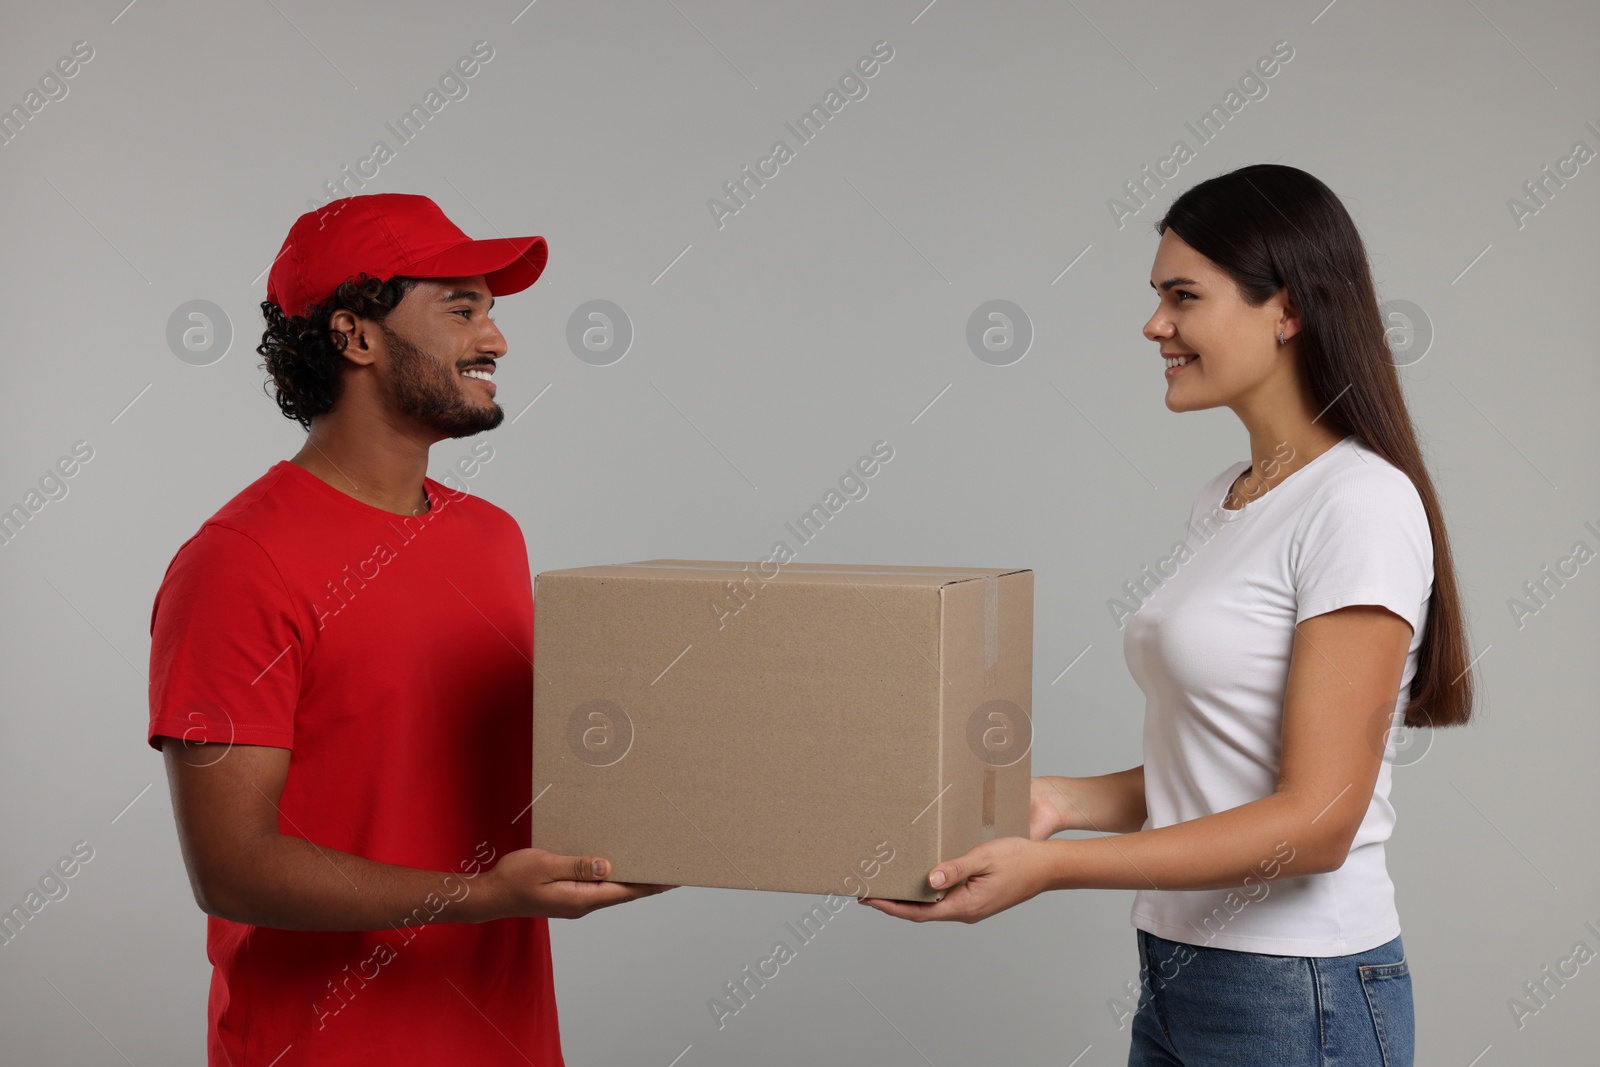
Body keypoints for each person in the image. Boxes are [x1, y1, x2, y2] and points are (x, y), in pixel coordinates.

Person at [861, 164, 1475, 1067]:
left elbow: (1315, 822)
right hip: (1183, 972)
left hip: (1297, 990)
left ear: (1289, 310)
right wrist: (1055, 803)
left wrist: (1056, 867)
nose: (1155, 325)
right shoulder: (1224, 498)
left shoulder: (1359, 505)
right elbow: (1221, 761)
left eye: (1183, 297)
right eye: (1157, 297)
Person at [147, 193, 669, 1066]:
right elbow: (231, 867)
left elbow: (496, 770)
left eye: (492, 311)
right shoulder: (237, 562)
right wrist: (482, 894)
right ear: (355, 336)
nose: (496, 340)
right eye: (461, 308)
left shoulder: (492, 536)